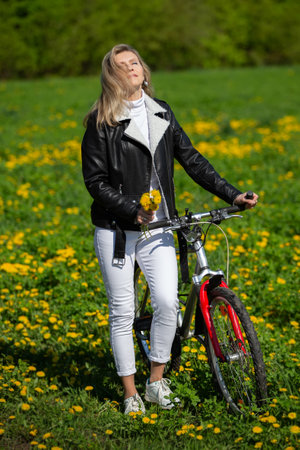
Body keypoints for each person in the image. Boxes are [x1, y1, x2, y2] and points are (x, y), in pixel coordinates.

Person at [81, 44, 258, 414]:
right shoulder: (101, 121)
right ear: (112, 77)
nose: (131, 68)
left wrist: (231, 193)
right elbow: (96, 181)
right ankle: (130, 394)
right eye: (122, 66)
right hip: (116, 230)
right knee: (122, 312)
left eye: (135, 63)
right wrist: (132, 210)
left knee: (166, 303)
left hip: (159, 225)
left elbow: (192, 160)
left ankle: (155, 382)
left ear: (144, 71)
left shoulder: (161, 112)